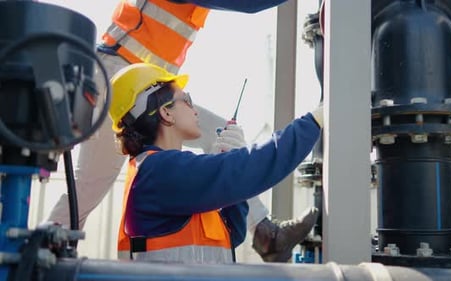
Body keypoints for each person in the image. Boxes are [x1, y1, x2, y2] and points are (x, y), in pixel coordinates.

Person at [47, 0, 319, 262]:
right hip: (122, 81)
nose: (192, 107)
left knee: (220, 133)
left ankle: (264, 234)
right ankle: (45, 250)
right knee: (89, 185)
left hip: (145, 85)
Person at [109, 62, 323, 263]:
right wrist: (313, 123)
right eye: (187, 99)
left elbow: (231, 235)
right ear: (166, 112)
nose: (195, 109)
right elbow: (246, 170)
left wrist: (232, 165)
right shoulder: (157, 171)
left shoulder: (165, 174)